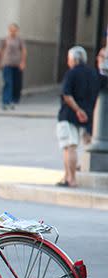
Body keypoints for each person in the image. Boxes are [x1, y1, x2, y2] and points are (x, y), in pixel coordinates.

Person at [56, 46, 101, 188]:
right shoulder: (93, 73)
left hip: (70, 114)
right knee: (78, 146)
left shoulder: (72, 73)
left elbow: (67, 95)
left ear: (74, 59)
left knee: (69, 147)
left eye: (69, 59)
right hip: (88, 116)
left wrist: (78, 110)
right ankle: (67, 176)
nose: (68, 62)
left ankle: (71, 179)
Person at [0, 23, 27, 110]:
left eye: (14, 30)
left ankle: (14, 99)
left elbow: (24, 51)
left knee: (16, 83)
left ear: (17, 31)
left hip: (17, 64)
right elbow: (1, 51)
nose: (12, 31)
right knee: (8, 82)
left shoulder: (20, 40)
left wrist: (23, 62)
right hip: (7, 63)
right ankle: (6, 101)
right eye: (11, 30)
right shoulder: (5, 39)